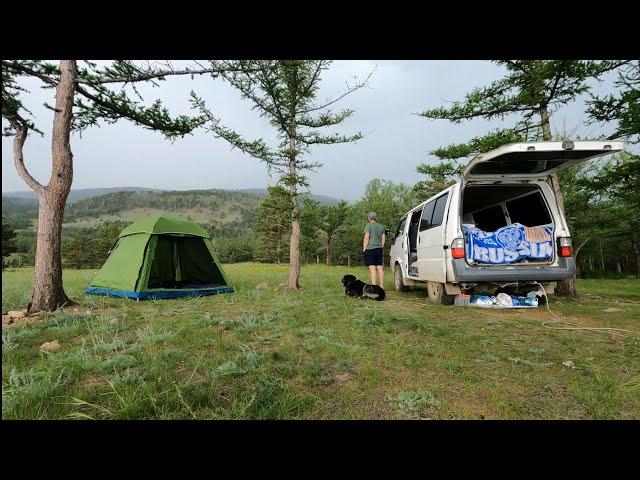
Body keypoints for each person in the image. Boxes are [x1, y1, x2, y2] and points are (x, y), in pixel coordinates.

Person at [362, 211, 386, 288]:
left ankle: (374, 286)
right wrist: (381, 246)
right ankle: (382, 286)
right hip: (379, 249)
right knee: (379, 267)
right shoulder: (381, 227)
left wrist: (364, 248)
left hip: (370, 249)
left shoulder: (368, 226)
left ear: (369, 218)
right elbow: (383, 238)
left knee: (372, 268)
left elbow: (366, 237)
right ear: (376, 218)